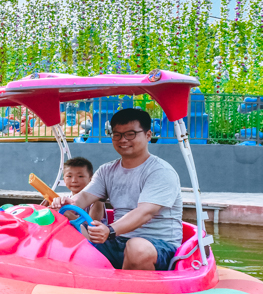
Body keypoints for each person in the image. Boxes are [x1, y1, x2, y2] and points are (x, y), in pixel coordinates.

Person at [51, 108, 183, 271]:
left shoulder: (161, 171)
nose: (123, 140)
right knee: (65, 236)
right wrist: (65, 203)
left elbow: (145, 212)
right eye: (117, 134)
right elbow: (83, 198)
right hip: (117, 240)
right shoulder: (107, 171)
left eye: (130, 134)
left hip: (158, 246)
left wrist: (111, 230)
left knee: (137, 248)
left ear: (148, 135)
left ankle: (127, 292)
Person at [61, 156, 106, 223]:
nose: (74, 180)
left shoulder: (97, 201)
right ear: (64, 179)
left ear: (91, 179)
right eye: (69, 176)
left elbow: (93, 225)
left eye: (80, 176)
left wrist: (68, 214)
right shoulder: (64, 200)